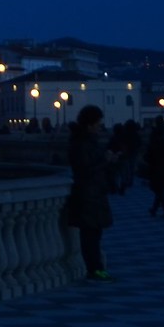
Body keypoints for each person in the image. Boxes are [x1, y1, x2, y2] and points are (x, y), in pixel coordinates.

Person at [65, 104, 115, 281]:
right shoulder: (83, 144)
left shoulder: (82, 141)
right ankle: (95, 269)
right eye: (98, 124)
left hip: (92, 193)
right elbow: (85, 169)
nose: (100, 127)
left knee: (93, 234)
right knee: (90, 235)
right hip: (89, 194)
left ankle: (96, 268)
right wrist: (105, 160)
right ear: (89, 125)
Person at [142, 118, 164, 217]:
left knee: (158, 190)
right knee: (159, 189)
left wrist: (147, 158)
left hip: (156, 168)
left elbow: (150, 155)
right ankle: (155, 209)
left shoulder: (155, 141)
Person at [109, 119, 142, 193]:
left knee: (121, 171)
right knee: (130, 168)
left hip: (122, 154)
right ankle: (128, 182)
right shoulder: (136, 134)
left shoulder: (123, 134)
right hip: (131, 153)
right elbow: (139, 143)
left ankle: (121, 184)